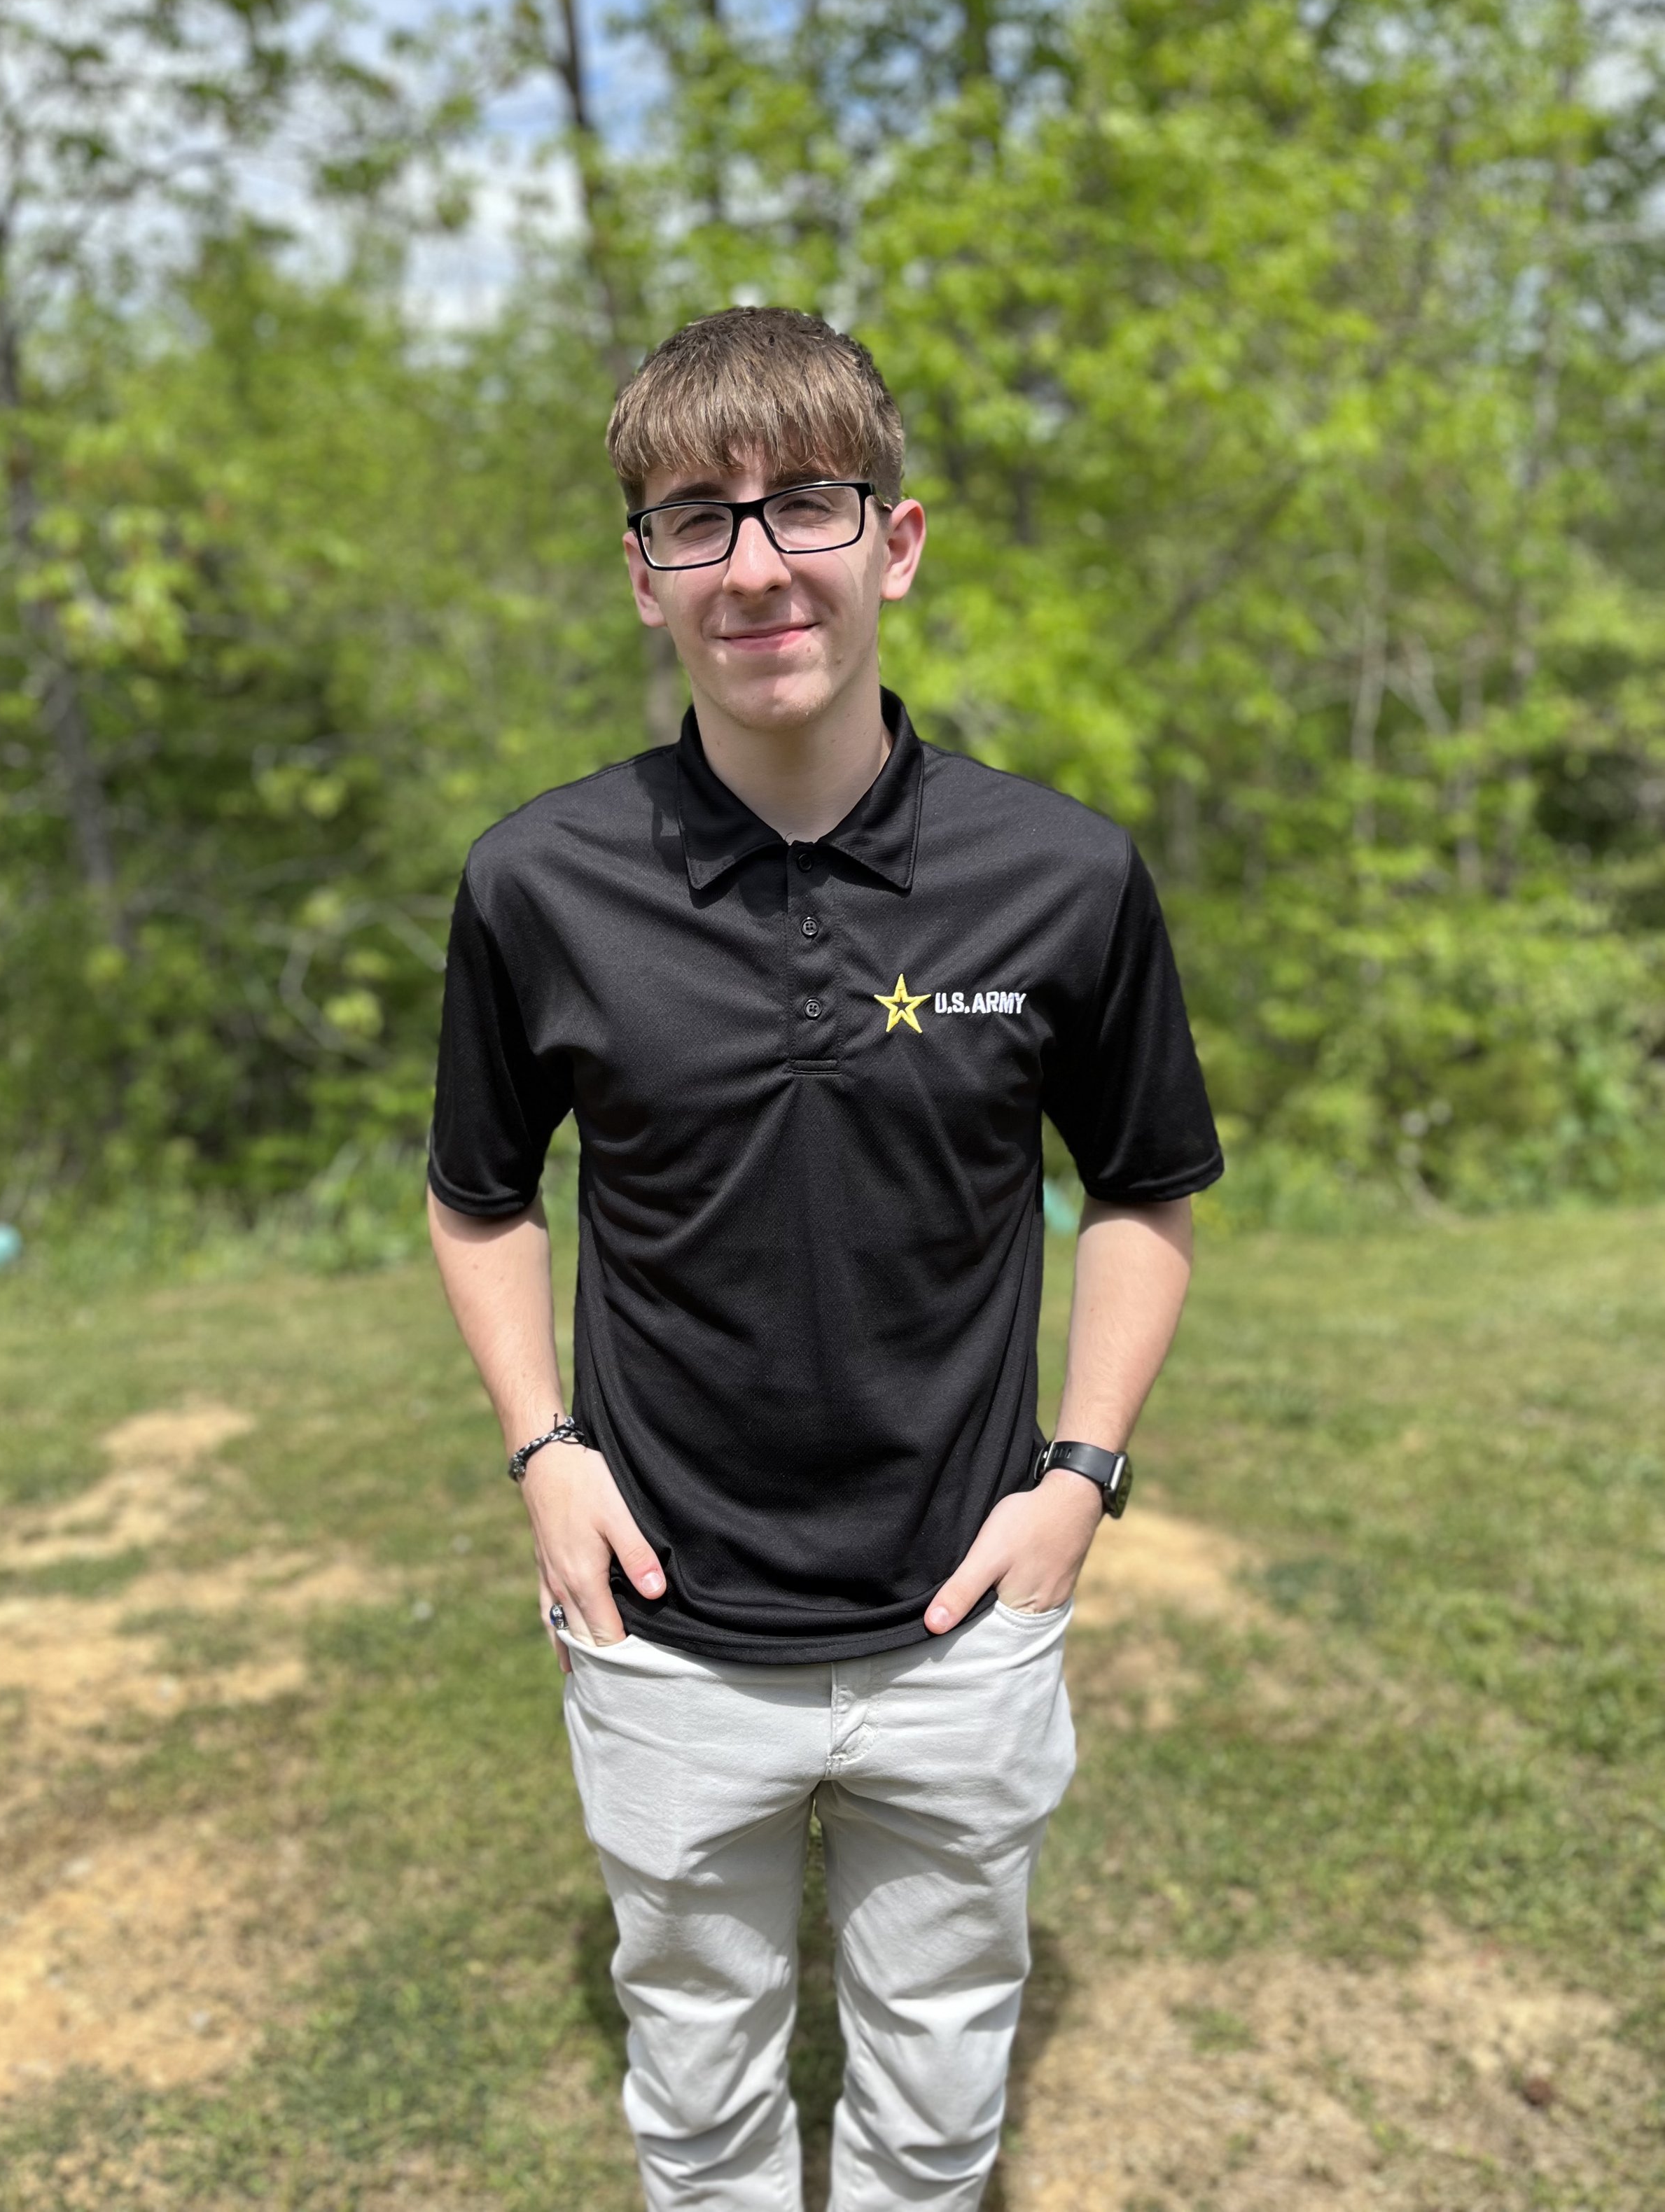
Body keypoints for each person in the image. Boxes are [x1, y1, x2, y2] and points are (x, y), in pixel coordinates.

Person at [427, 306, 1222, 2212]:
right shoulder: (539, 883)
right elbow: (480, 1200)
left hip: (962, 1613)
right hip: (662, 1626)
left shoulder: (1063, 876)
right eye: (696, 519)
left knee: (938, 2087)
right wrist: (545, 1454)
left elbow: (1142, 1192)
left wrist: (1078, 1480)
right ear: (642, 579)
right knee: (695, 2083)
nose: (758, 559)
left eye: (806, 503)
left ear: (898, 541)